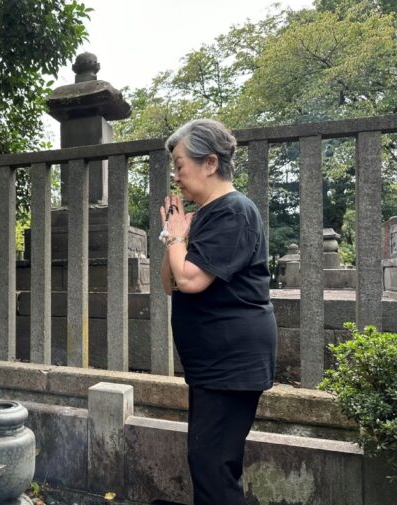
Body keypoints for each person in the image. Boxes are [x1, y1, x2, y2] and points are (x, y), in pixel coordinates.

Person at [160, 119, 277, 505]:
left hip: (232, 360)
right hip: (213, 361)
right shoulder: (207, 214)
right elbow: (170, 282)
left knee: (214, 463)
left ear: (210, 163)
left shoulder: (234, 211)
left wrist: (179, 235)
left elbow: (191, 280)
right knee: (208, 460)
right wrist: (175, 236)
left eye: (179, 165)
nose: (175, 176)